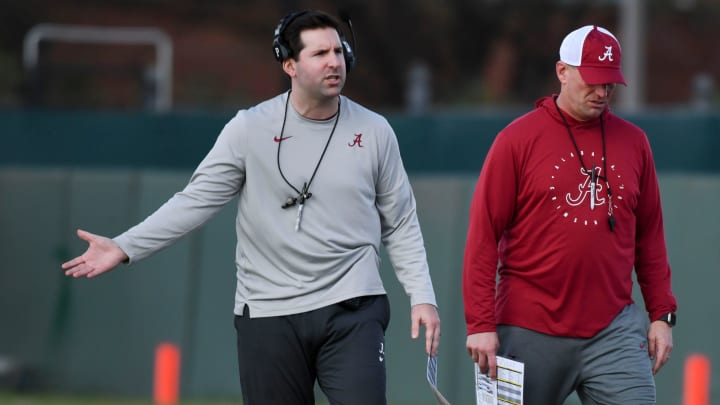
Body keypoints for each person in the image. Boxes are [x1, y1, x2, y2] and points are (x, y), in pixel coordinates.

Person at [62, 9, 441, 405]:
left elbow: (400, 223)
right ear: (289, 64)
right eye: (319, 54)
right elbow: (195, 201)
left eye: (338, 50)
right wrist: (125, 246)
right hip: (267, 312)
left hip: (352, 308)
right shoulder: (249, 128)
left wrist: (423, 296)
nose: (334, 62)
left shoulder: (376, 130)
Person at [462, 25, 677, 404]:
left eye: (610, 83)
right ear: (562, 71)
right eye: (593, 81)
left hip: (614, 329)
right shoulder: (516, 140)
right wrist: (480, 323)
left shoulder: (635, 142)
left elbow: (649, 236)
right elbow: (483, 235)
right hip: (528, 327)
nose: (602, 92)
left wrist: (661, 314)